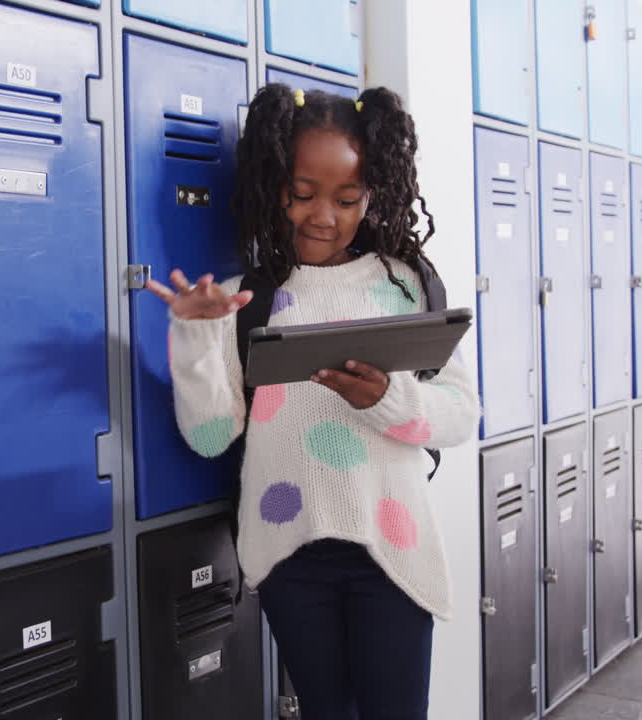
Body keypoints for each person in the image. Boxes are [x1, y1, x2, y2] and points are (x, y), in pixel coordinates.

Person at [145, 83, 481, 719]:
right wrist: (194, 334)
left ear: (372, 194)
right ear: (275, 185)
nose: (324, 215)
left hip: (391, 550)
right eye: (303, 194)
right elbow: (213, 436)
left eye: (347, 198)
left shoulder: (403, 283)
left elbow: (461, 413)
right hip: (290, 556)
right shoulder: (249, 301)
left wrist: (386, 399)